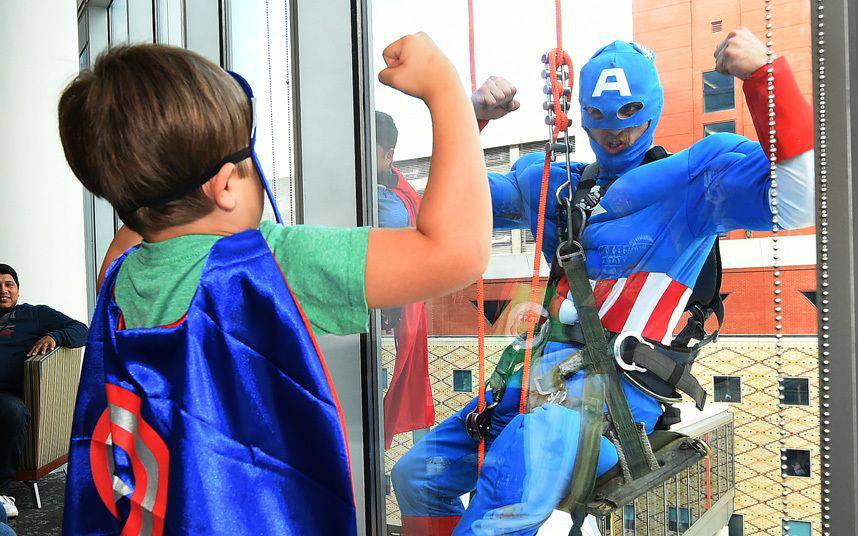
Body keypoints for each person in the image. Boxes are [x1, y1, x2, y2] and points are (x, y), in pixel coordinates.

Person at [57, 32, 490, 535]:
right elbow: (456, 252)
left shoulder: (120, 273)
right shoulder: (262, 266)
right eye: (251, 161)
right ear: (225, 186)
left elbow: (140, 220)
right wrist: (445, 89)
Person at [392, 28, 814, 535]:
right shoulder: (554, 185)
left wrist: (766, 75)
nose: (615, 132)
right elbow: (453, 205)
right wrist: (469, 116)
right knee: (417, 474)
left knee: (510, 484)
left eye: (630, 114)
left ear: (651, 108)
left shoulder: (695, 185)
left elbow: (800, 199)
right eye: (597, 116)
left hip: (609, 406)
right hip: (525, 387)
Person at [0, 263, 87, 519]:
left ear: (18, 290)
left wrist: (55, 337)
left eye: (8, 284)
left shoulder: (34, 315)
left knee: (12, 412)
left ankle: (2, 493)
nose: (3, 290)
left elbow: (81, 330)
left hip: (7, 395)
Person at [374, 111, 436, 448]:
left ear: (388, 156)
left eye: (370, 150)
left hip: (391, 304)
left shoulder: (394, 199)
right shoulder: (395, 190)